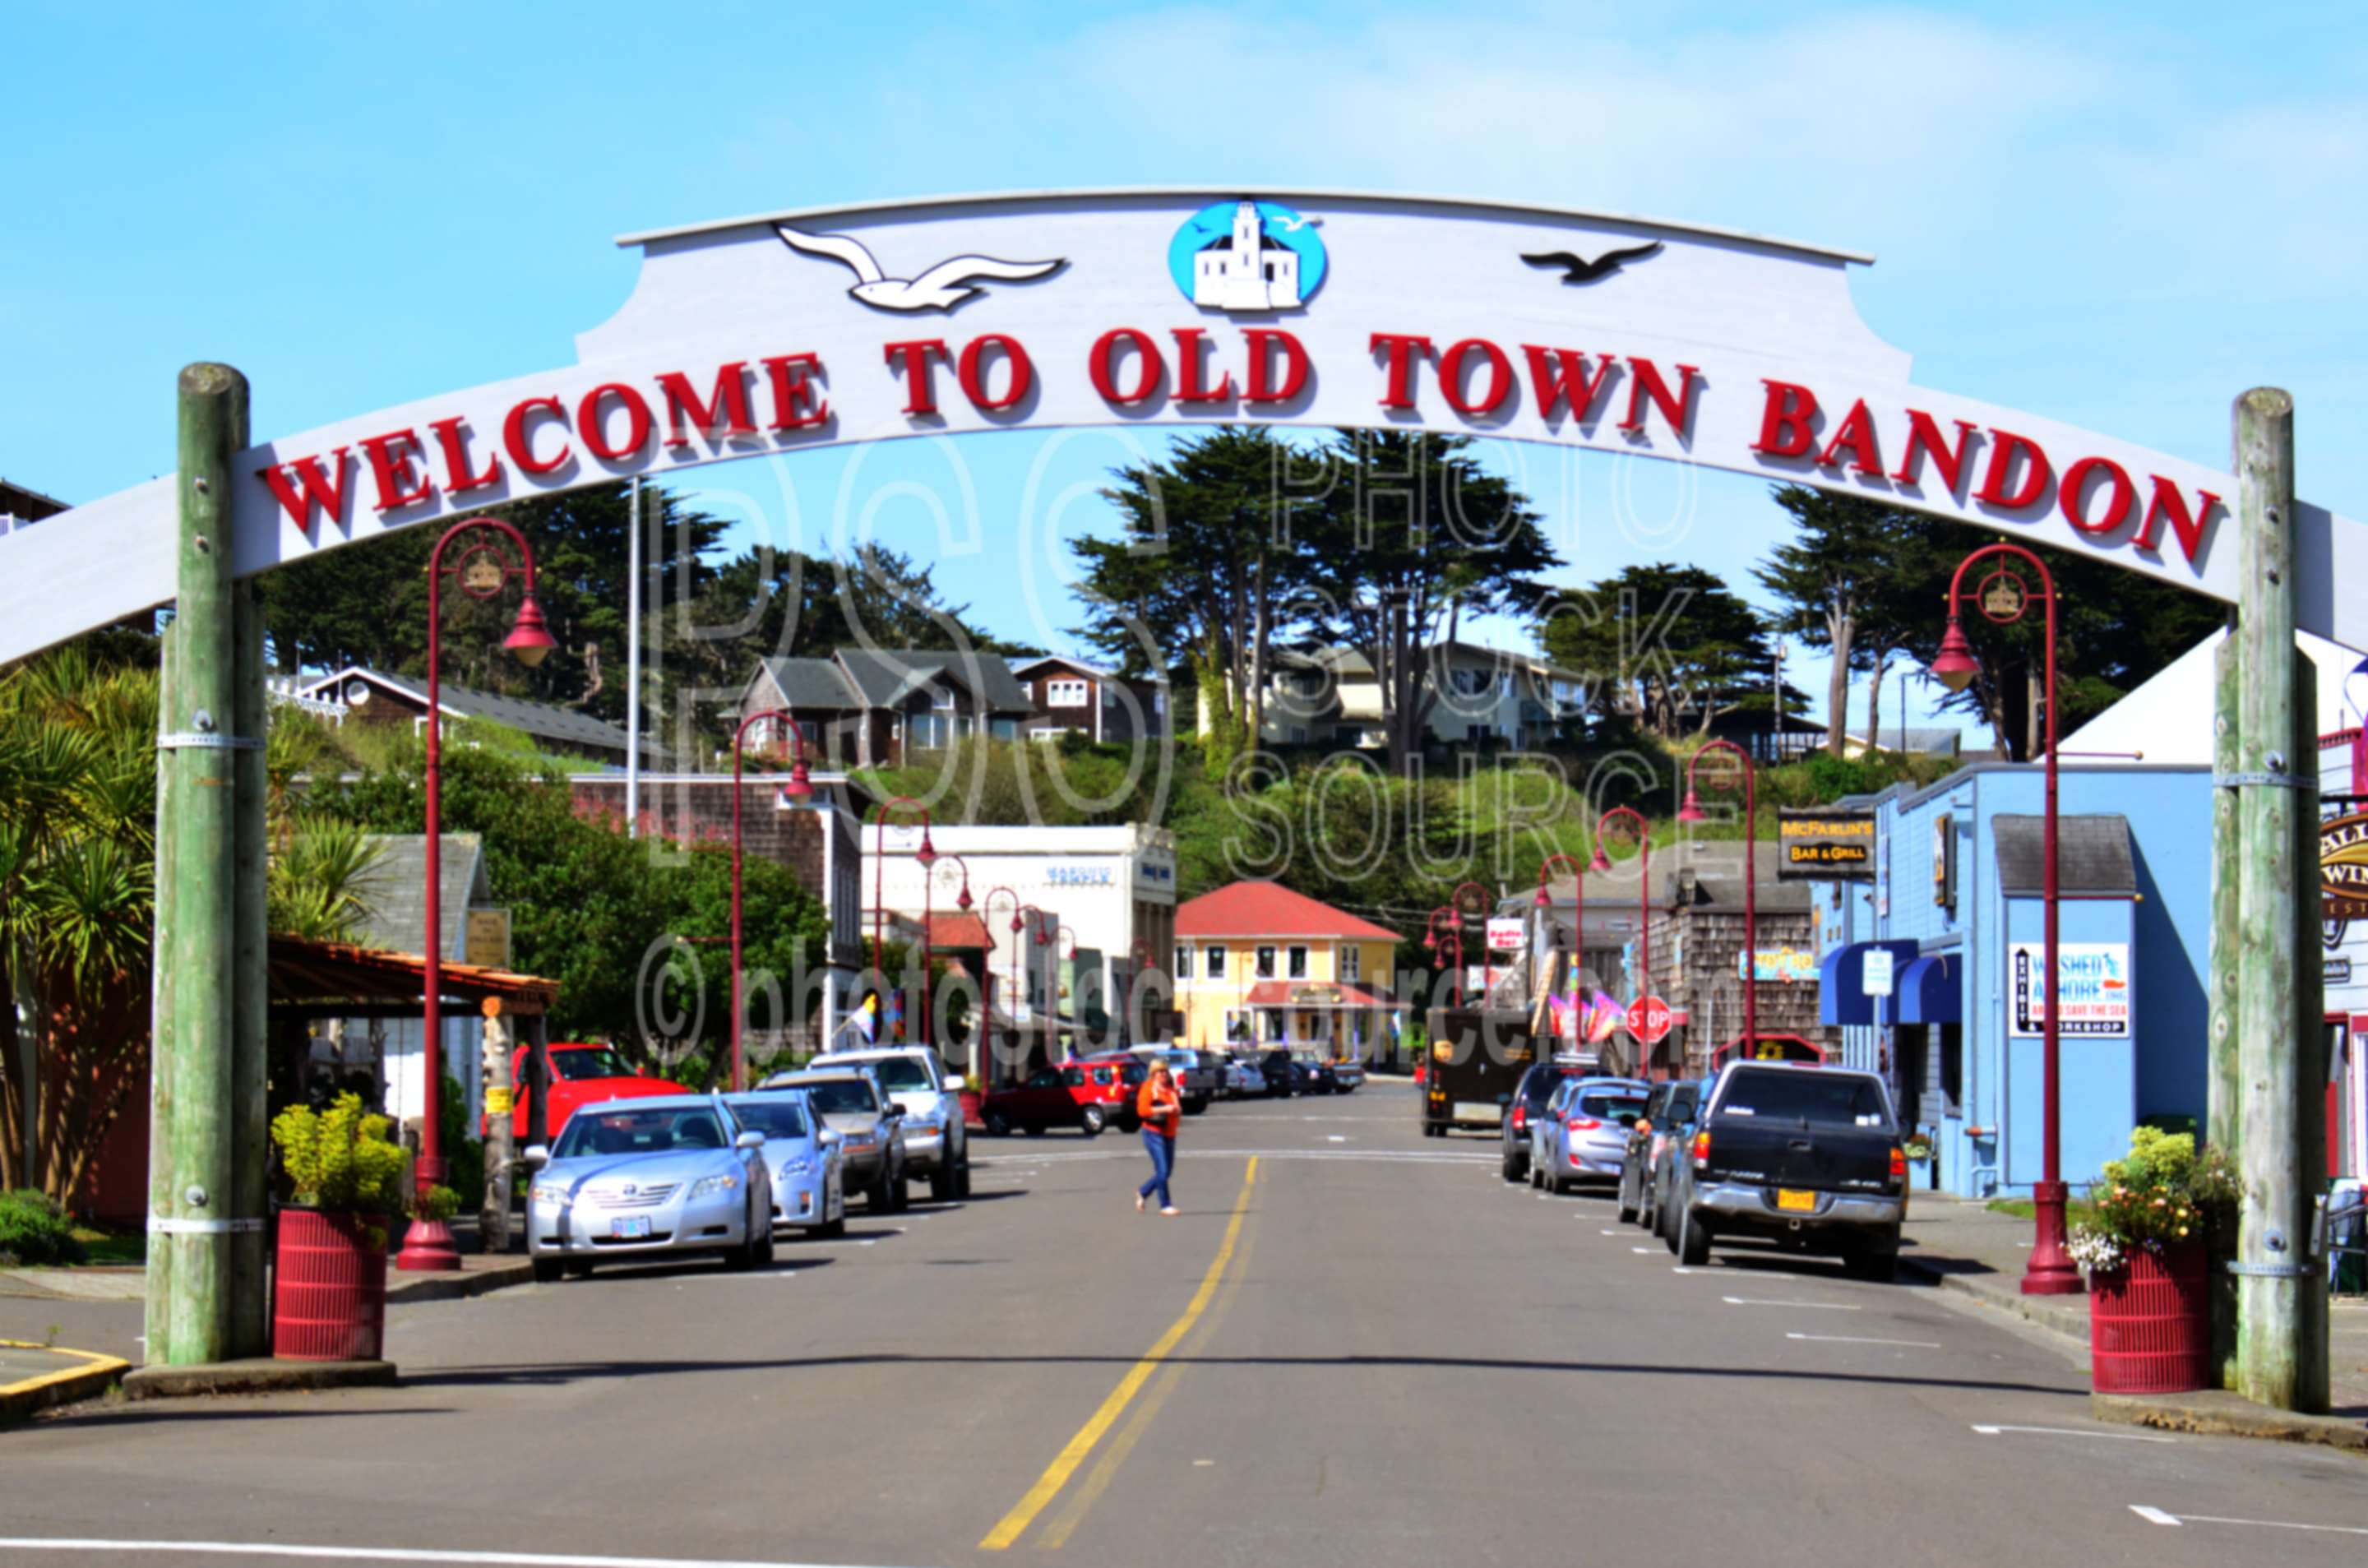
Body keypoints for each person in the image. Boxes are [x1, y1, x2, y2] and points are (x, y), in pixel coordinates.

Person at [1135, 1060, 1182, 1216]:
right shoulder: (1148, 1088)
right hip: (1153, 1132)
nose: (1163, 1075)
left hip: (1170, 1133)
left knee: (1166, 1172)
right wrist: (1165, 1108)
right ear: (1153, 1074)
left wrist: (1176, 1110)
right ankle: (1165, 1205)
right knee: (1162, 1169)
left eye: (1165, 1072)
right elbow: (1142, 1111)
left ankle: (1143, 1192)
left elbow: (1177, 1108)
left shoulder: (1171, 1090)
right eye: (1160, 1072)